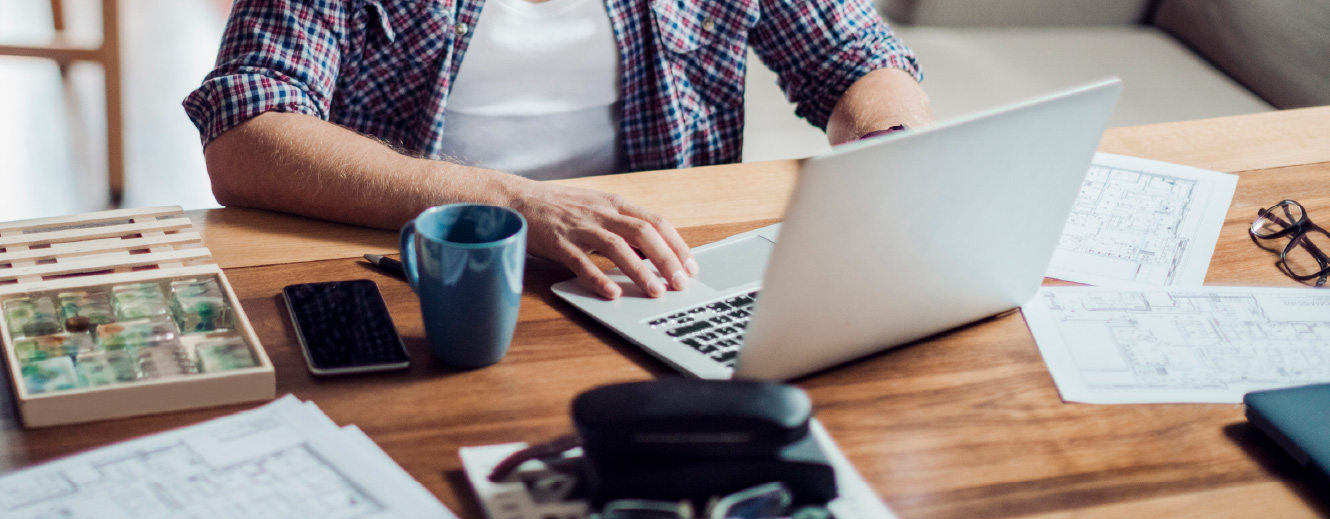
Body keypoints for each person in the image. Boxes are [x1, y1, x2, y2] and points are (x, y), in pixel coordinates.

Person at [184, 0, 933, 300]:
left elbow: (859, 57)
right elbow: (248, 133)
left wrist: (893, 152)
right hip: (415, 274)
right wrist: (515, 203)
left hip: (653, 273)